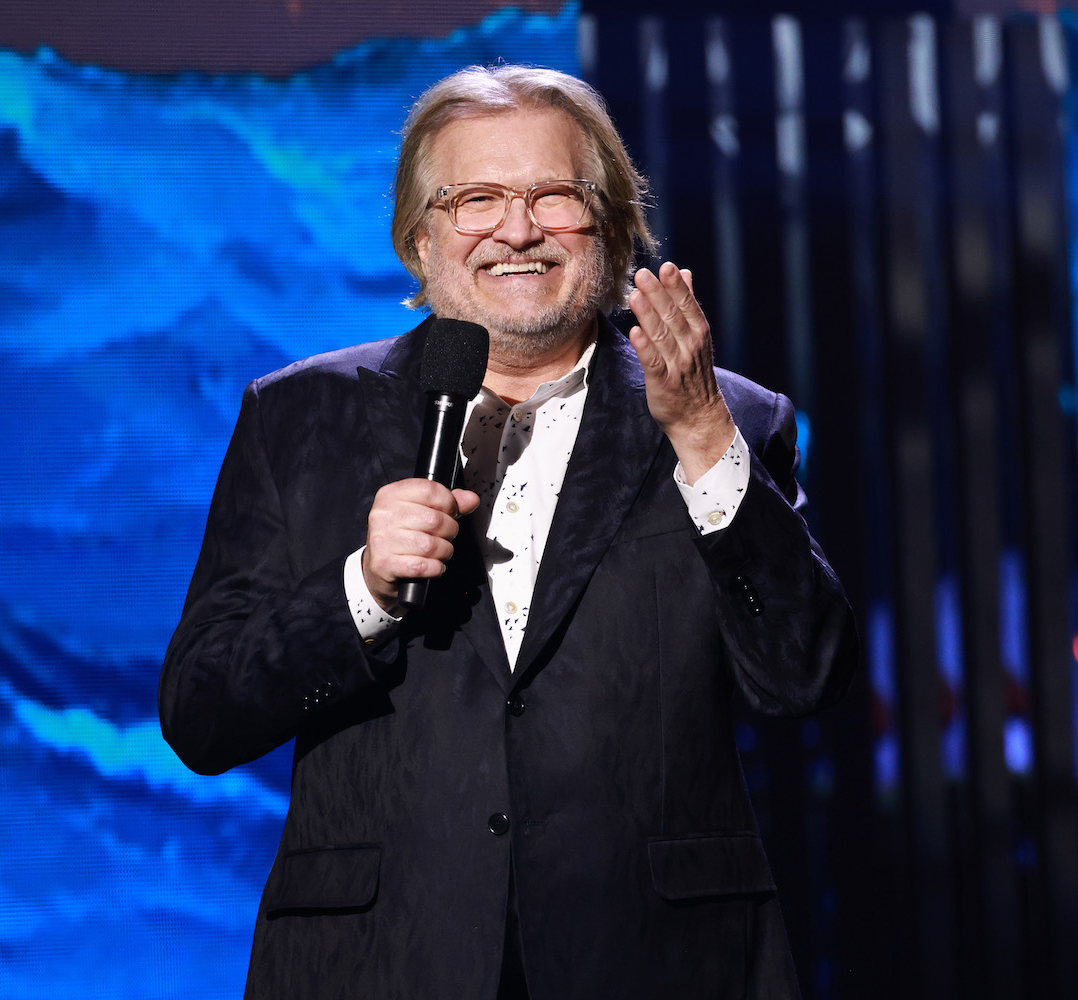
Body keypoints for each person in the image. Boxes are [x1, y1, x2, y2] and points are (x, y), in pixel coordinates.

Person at [160, 65, 856, 1000]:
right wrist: (360, 592)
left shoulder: (728, 419)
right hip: (381, 965)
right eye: (476, 200)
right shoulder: (298, 418)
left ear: (612, 227)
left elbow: (802, 677)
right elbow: (202, 715)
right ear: (420, 236)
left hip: (657, 962)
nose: (517, 230)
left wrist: (699, 434)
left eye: (553, 196)